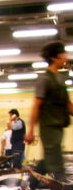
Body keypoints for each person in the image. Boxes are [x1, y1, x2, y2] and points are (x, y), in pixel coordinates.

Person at [25, 41, 73, 180]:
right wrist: (31, 131)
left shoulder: (60, 79)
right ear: (54, 58)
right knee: (55, 158)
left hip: (59, 125)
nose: (66, 58)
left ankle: (29, 184)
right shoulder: (45, 79)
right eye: (63, 54)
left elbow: (68, 104)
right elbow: (36, 105)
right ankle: (62, 183)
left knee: (50, 159)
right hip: (49, 126)